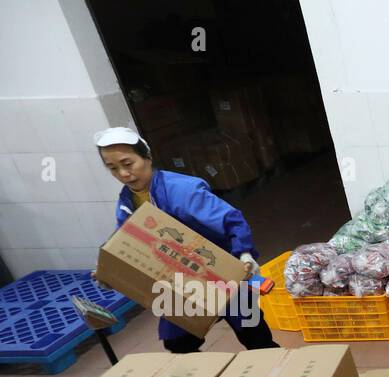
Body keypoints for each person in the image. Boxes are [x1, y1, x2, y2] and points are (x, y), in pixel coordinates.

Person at [93, 127, 279, 353]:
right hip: (180, 283)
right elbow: (125, 243)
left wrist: (244, 253)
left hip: (221, 273)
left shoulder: (183, 190)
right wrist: (111, 272)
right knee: (179, 343)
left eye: (128, 163)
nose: (123, 174)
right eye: (113, 168)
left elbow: (230, 219)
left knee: (254, 334)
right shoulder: (127, 202)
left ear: (147, 158)